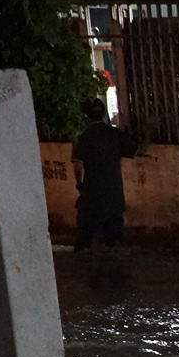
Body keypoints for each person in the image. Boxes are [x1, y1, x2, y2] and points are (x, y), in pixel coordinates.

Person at [71, 97, 142, 251]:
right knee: (114, 242)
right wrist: (148, 132)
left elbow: (78, 165)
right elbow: (136, 151)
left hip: (93, 198)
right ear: (103, 114)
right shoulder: (114, 134)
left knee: (83, 242)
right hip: (115, 196)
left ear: (85, 116)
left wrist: (79, 184)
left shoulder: (83, 138)